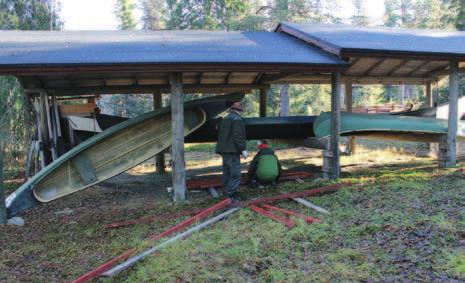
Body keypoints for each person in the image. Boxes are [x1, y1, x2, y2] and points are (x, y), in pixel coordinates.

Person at [215, 101, 247, 200]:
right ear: (239, 110)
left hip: (224, 150)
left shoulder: (225, 119)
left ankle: (227, 191)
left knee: (227, 172)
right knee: (235, 173)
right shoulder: (237, 119)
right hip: (232, 151)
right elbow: (238, 136)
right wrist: (243, 149)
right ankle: (230, 195)